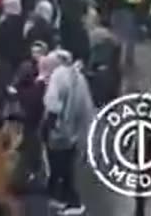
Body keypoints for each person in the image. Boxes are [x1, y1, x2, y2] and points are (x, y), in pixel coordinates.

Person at [42, 49, 94, 216]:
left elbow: (53, 106)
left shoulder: (57, 77)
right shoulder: (79, 77)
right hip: (74, 132)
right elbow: (87, 107)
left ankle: (72, 201)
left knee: (60, 167)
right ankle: (62, 199)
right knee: (65, 166)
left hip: (59, 132)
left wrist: (45, 129)